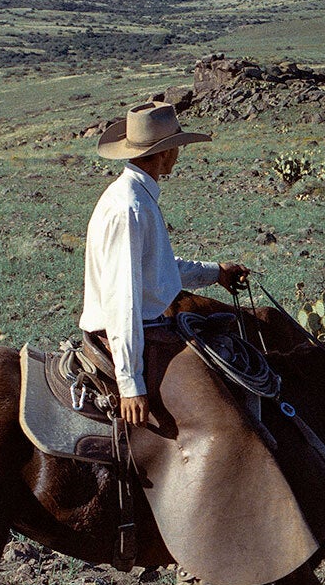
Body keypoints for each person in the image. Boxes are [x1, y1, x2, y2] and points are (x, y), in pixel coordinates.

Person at [81, 101, 249, 428]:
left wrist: (215, 272)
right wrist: (130, 383)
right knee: (225, 414)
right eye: (175, 148)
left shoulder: (134, 197)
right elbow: (122, 298)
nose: (177, 155)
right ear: (164, 154)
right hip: (136, 337)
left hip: (145, 329)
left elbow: (154, 270)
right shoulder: (130, 208)